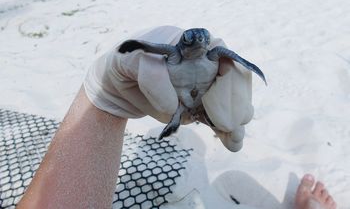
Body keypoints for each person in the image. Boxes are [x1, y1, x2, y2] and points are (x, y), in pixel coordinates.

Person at [17, 26, 337, 209]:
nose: (197, 43)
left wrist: (101, 99)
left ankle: (211, 124)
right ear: (183, 44)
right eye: (190, 40)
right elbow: (143, 48)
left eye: (201, 38)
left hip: (203, 100)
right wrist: (109, 82)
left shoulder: (211, 52)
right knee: (205, 113)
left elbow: (235, 61)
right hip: (180, 103)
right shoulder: (173, 52)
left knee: (223, 113)